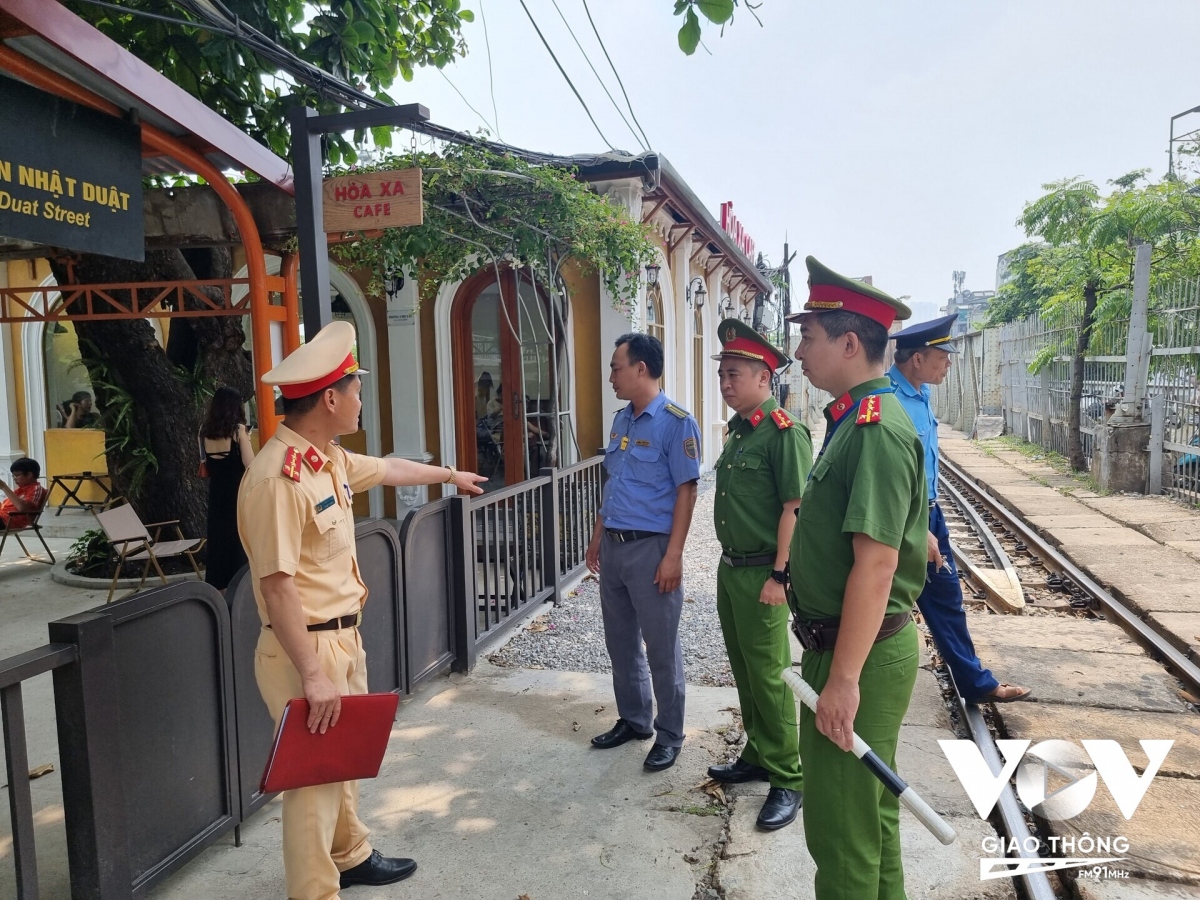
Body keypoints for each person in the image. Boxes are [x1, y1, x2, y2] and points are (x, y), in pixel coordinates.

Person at [236, 321, 486, 900]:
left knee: (341, 765)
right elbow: (276, 587)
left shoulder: (325, 459)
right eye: (355, 389)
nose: (359, 399)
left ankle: (351, 856)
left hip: (341, 638)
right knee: (312, 787)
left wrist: (449, 476)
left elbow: (390, 468)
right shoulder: (277, 478)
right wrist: (314, 674)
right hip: (307, 649)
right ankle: (315, 891)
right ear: (329, 398)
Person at [785, 257, 927, 899]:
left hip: (855, 652)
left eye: (808, 337)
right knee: (873, 814)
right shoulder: (857, 417)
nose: (798, 351)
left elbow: (877, 564)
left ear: (848, 343)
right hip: (855, 643)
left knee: (843, 832)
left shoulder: (872, 429)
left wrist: (841, 681)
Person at [888, 314, 1032, 703]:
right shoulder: (888, 400)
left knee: (945, 599)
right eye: (943, 356)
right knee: (891, 601)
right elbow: (891, 476)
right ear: (917, 359)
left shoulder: (922, 393)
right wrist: (917, 529)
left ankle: (976, 683)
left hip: (929, 514)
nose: (949, 363)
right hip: (904, 517)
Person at [708, 319, 810, 830]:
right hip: (732, 571)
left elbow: (794, 508)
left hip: (763, 574)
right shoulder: (738, 430)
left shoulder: (783, 433)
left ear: (764, 378)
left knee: (771, 676)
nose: (725, 384)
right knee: (745, 671)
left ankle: (789, 778)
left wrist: (780, 576)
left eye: (734, 375)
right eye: (722, 375)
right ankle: (758, 752)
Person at [586, 333, 701, 772]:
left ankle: (670, 733)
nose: (611, 376)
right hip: (614, 545)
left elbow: (686, 491)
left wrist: (674, 555)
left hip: (652, 550)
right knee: (620, 643)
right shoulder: (621, 421)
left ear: (640, 369)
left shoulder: (676, 422)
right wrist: (597, 535)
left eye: (616, 367)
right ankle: (635, 720)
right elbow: (613, 483)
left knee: (661, 647)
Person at [200, 386, 255, 593]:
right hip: (237, 493)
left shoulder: (205, 432)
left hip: (216, 495)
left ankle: (218, 586)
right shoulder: (238, 431)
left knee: (219, 539)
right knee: (238, 538)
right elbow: (250, 464)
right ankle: (239, 585)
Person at [0, 458, 48, 528]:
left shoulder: (36, 489)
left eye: (16, 475)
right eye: (13, 476)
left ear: (29, 475)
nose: (14, 478)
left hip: (9, 521)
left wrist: (4, 487)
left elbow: (23, 508)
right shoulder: (20, 490)